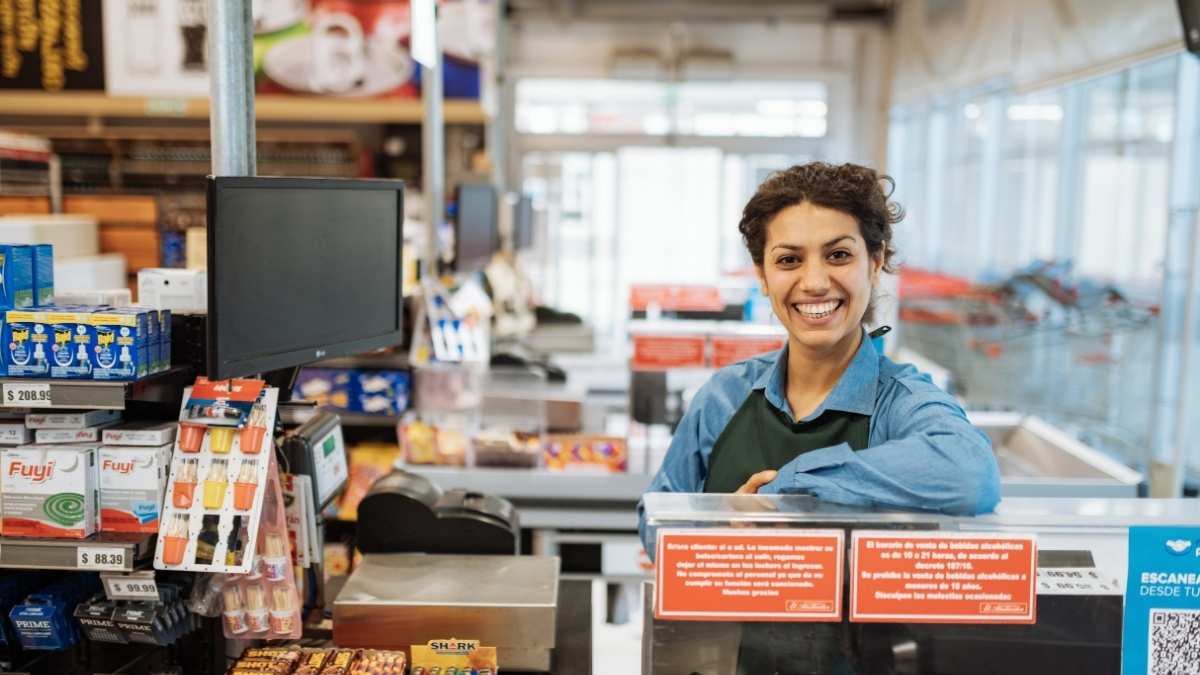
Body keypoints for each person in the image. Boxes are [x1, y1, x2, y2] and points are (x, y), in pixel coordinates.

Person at [636, 162, 1001, 675]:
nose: (814, 281)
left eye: (838, 255)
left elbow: (971, 474)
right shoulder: (726, 395)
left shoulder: (900, 403)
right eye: (788, 259)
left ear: (874, 265)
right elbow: (655, 520)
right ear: (762, 276)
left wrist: (791, 490)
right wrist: (715, 531)